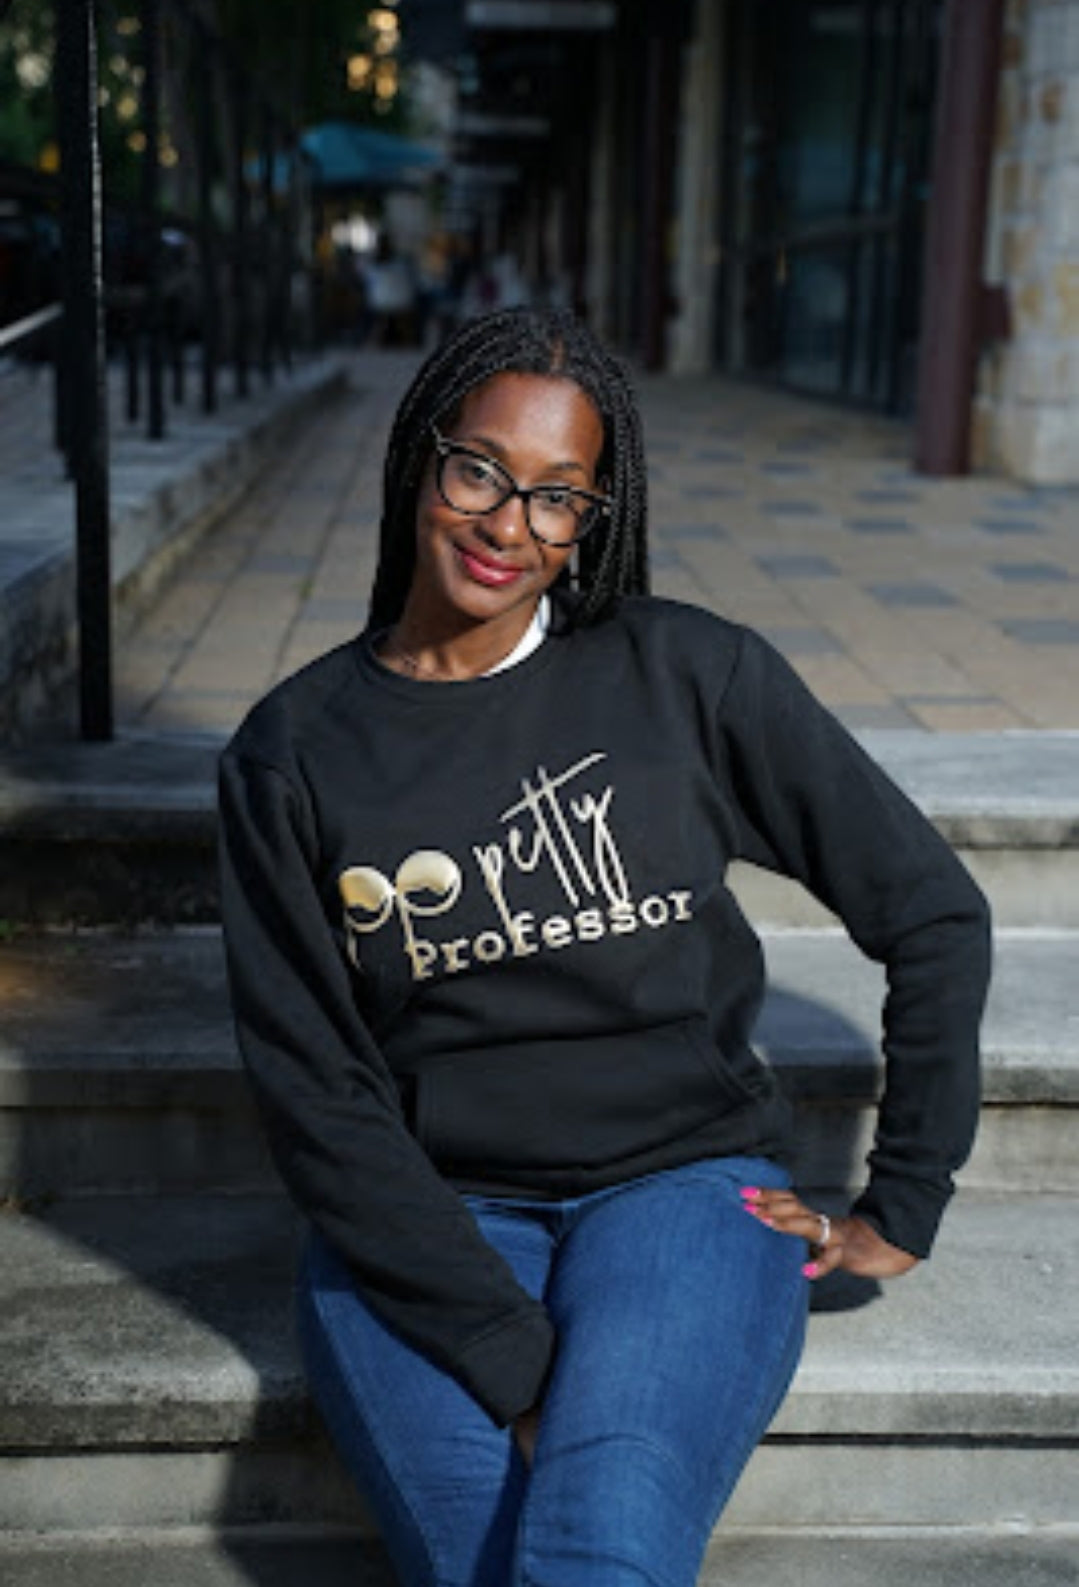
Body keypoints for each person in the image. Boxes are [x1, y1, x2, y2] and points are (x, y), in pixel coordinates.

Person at [218, 307, 991, 1587]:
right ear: (421, 456)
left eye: (557, 497)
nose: (506, 524)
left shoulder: (685, 676)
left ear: (593, 521)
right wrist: (513, 1365)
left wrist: (903, 1196)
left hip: (682, 1191)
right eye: (478, 469)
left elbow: (929, 908)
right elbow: (317, 1093)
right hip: (426, 1219)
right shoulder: (292, 751)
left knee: (594, 1548)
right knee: (500, 1560)